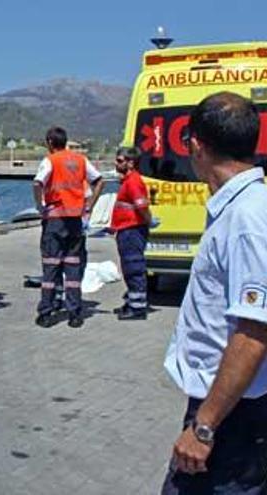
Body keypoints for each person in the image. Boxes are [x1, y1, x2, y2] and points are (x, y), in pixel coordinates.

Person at [161, 92, 267, 494]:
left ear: (196, 145)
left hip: (232, 416)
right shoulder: (241, 207)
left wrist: (204, 428)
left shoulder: (247, 219)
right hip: (227, 407)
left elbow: (254, 332)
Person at [32, 127, 104, 328]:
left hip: (55, 220)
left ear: (49, 142)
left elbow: (37, 183)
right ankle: (75, 313)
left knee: (51, 267)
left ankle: (46, 312)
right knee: (73, 267)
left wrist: (40, 207)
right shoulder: (80, 160)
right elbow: (99, 181)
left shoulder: (50, 160)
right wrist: (90, 205)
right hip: (75, 220)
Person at [110, 146, 152, 320]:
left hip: (132, 230)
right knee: (129, 267)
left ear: (131, 163)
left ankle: (137, 308)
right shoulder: (127, 181)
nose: (116, 163)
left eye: (120, 160)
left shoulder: (133, 181)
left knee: (133, 266)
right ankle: (132, 301)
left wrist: (148, 221)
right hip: (126, 229)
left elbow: (141, 206)